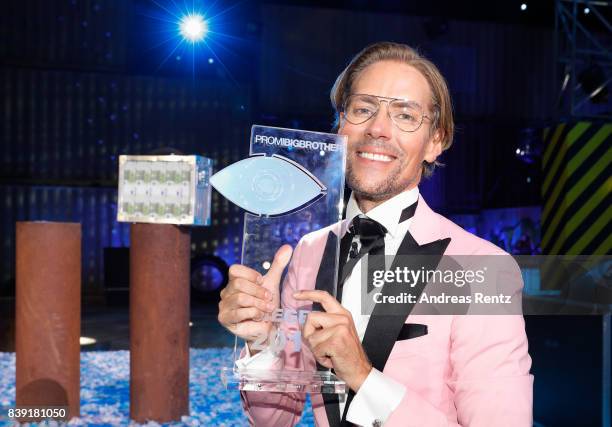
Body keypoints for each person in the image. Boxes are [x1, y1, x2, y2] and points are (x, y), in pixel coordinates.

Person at [218, 41, 533, 427]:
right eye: (363, 109)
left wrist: (363, 377)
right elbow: (275, 418)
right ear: (341, 124)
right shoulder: (310, 251)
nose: (378, 129)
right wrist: (262, 341)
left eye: (405, 115)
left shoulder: (484, 269)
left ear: (436, 141)